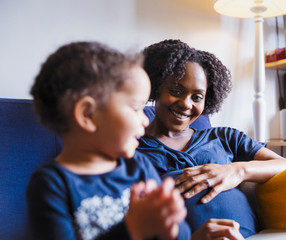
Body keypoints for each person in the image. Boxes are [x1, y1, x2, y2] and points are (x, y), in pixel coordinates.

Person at [26, 41, 190, 240]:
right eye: (136, 107)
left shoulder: (139, 166)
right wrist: (133, 229)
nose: (145, 120)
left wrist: (170, 224)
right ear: (89, 115)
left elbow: (182, 234)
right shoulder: (52, 184)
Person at [137, 39, 286, 238]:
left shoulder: (224, 137)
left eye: (197, 97)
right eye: (176, 91)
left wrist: (236, 170)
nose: (186, 104)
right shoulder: (133, 149)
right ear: (156, 86)